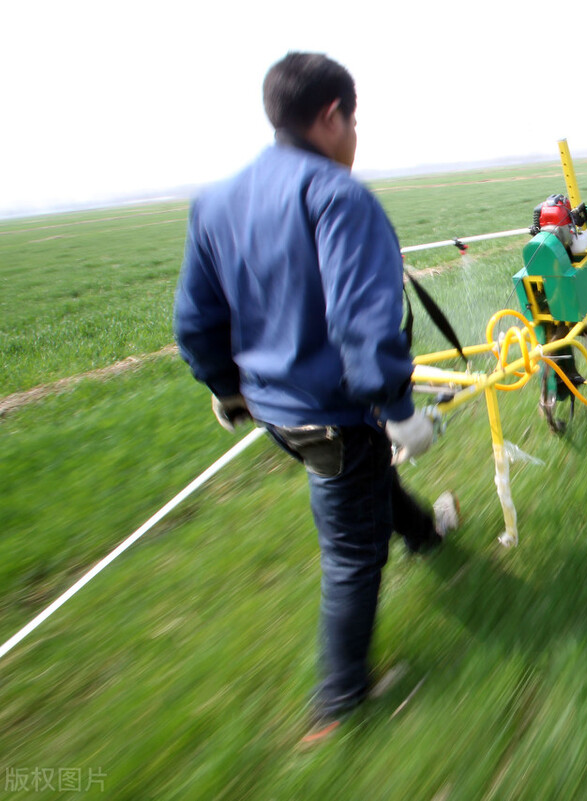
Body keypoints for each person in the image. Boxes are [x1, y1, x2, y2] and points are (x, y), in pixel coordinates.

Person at [173, 51, 458, 747]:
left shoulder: (215, 201)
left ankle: (427, 535)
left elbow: (196, 320)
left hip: (273, 409)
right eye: (353, 121)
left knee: (363, 482)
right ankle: (338, 703)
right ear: (332, 117)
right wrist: (399, 411)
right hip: (335, 412)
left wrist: (225, 388)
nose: (355, 137)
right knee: (352, 554)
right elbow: (363, 319)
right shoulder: (335, 193)